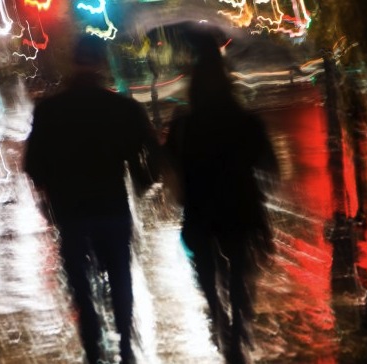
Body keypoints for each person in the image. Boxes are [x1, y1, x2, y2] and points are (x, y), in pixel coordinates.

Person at [23, 34, 160, 364]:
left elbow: (33, 164)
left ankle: (92, 345)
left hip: (71, 211)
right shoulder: (123, 109)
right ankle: (126, 342)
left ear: (75, 62)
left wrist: (49, 197)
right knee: (120, 272)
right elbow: (150, 153)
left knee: (79, 279)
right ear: (101, 63)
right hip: (111, 206)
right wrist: (144, 181)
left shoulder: (50, 110)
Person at [163, 27, 279, 364]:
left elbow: (169, 163)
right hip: (240, 207)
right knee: (240, 271)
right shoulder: (246, 121)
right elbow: (269, 166)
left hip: (200, 210)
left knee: (207, 271)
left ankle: (217, 317)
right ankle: (238, 331)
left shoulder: (183, 125)